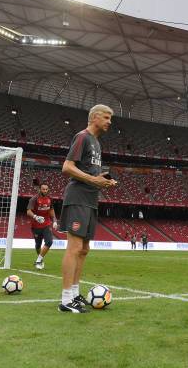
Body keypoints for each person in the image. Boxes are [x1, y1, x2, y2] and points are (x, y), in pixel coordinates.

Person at [58, 104, 117, 313]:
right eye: (107, 117)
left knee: (84, 249)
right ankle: (65, 300)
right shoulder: (82, 136)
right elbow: (67, 167)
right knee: (74, 248)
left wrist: (103, 181)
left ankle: (74, 294)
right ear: (94, 117)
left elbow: (91, 175)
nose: (110, 121)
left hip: (91, 200)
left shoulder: (97, 144)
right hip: (78, 198)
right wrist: (94, 179)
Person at [27, 183, 57, 270]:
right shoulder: (34, 199)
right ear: (40, 189)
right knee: (38, 245)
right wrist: (36, 217)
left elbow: (51, 210)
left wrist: (54, 221)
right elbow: (28, 211)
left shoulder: (49, 199)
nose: (45, 191)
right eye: (43, 189)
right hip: (36, 225)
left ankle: (38, 260)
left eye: (46, 189)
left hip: (46, 224)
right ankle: (40, 259)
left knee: (49, 242)